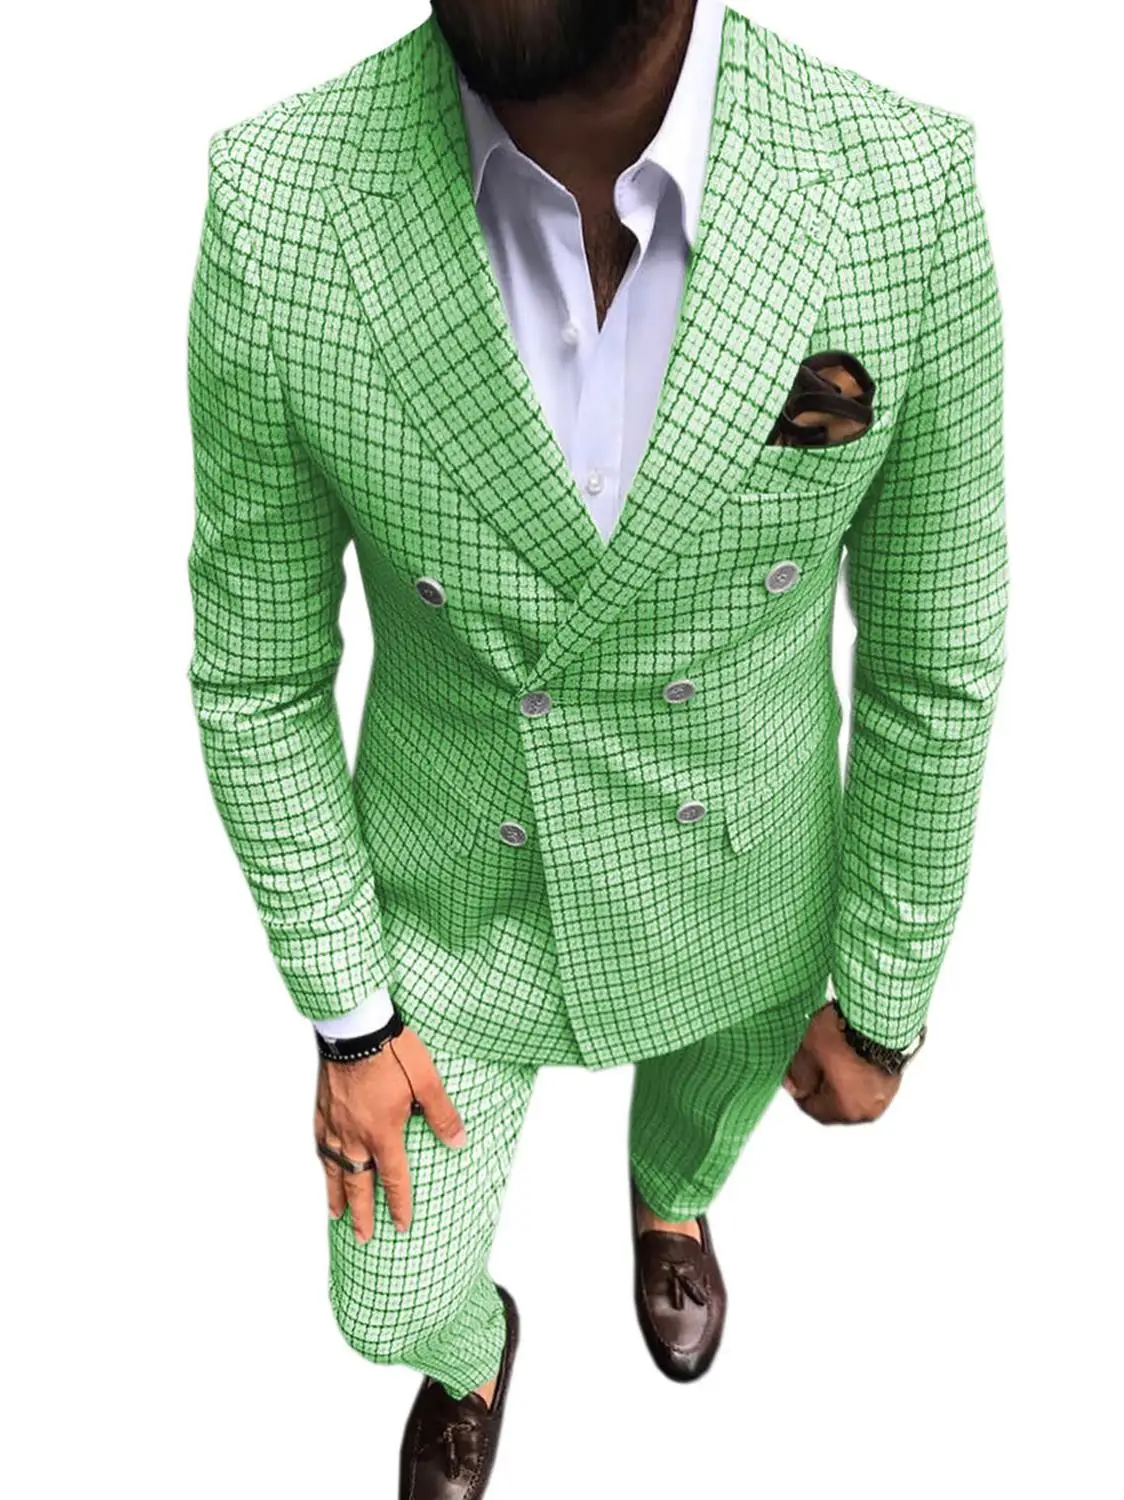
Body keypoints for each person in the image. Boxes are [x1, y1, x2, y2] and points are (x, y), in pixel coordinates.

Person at [184, 1, 1007, 1493]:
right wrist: (349, 1019)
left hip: (748, 865)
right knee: (383, 1299)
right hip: (451, 895)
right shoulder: (280, 205)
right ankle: (470, 1349)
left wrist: (887, 994)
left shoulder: (901, 187)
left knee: (704, 1121)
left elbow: (933, 653)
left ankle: (669, 1203)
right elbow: (258, 673)